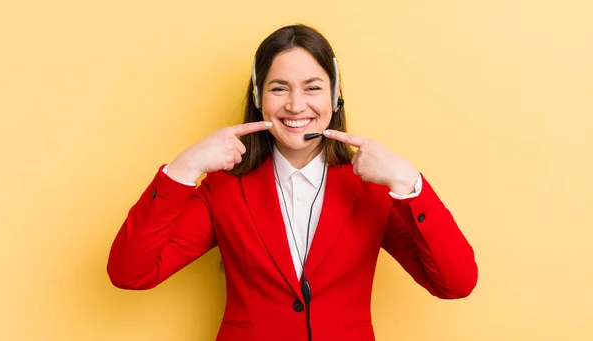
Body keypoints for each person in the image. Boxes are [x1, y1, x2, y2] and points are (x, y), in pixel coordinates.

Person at [107, 24, 478, 341]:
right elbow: (130, 272)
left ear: (335, 97)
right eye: (279, 88)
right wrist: (185, 167)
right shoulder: (224, 189)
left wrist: (408, 181)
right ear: (258, 97)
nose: (296, 106)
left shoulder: (374, 190)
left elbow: (455, 283)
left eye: (312, 88)